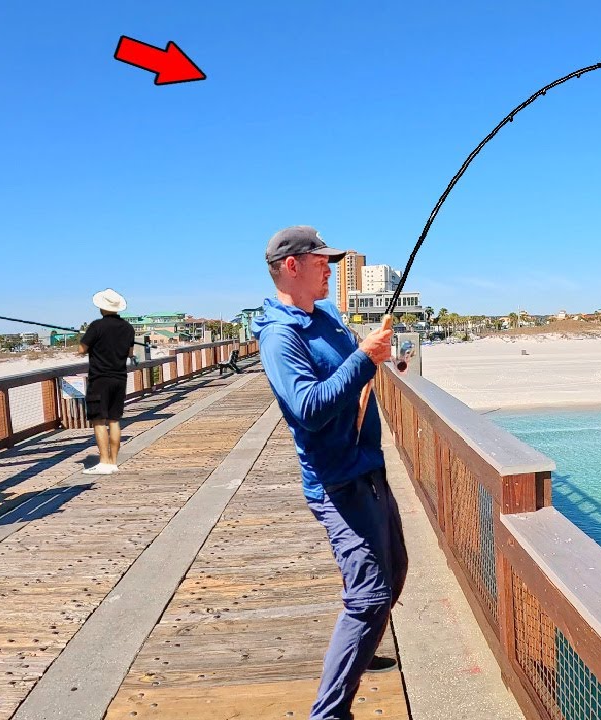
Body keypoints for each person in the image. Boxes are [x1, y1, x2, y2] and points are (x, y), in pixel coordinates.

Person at [251, 225, 405, 720]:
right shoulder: (280, 336)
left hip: (369, 470)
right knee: (367, 597)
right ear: (291, 266)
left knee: (394, 574)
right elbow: (308, 408)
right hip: (337, 482)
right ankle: (329, 712)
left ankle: (356, 655)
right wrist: (363, 359)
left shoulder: (329, 315)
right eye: (322, 262)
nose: (331, 269)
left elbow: (350, 368)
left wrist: (370, 351)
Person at [79, 289, 135, 475]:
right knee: (114, 420)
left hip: (100, 379)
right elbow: (130, 353)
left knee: (98, 421)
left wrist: (85, 337)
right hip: (120, 378)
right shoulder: (128, 328)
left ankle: (104, 462)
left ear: (102, 307)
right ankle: (113, 462)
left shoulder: (96, 326)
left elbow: (82, 349)